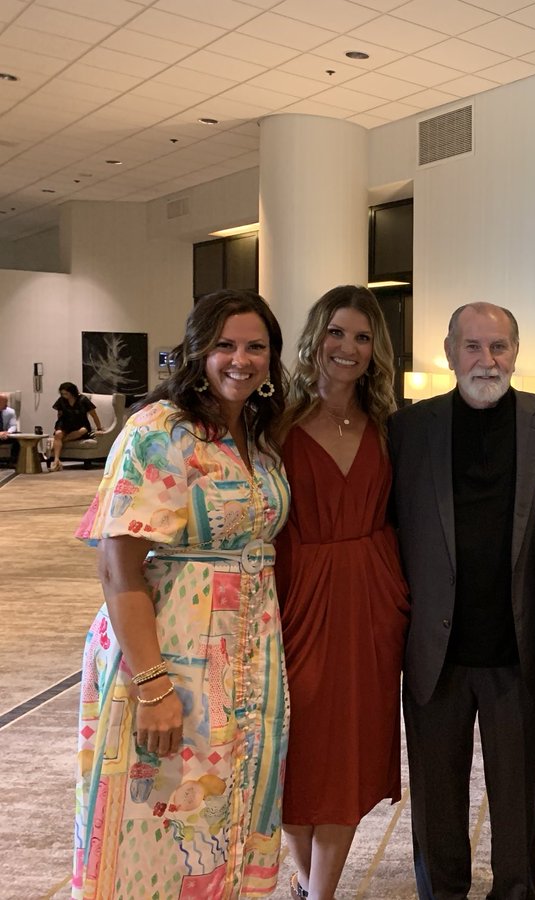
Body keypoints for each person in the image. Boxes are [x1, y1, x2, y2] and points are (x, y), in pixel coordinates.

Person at [72, 289, 291, 898]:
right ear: (196, 351)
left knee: (229, 804)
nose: (239, 360)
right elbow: (119, 568)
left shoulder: (258, 432)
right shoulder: (158, 431)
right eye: (224, 344)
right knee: (158, 817)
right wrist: (153, 685)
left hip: (247, 652)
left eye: (255, 347)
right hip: (169, 650)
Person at [389, 302, 535, 898]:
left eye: (498, 347)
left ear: (516, 353)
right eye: (472, 347)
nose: (487, 360)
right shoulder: (407, 429)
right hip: (435, 651)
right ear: (449, 353)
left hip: (516, 652)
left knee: (518, 802)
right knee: (436, 801)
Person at [275, 286, 412, 900]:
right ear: (316, 337)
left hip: (371, 602)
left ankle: (319, 892)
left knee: (350, 750)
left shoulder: (390, 427)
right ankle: (309, 883)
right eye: (337, 333)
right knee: (294, 749)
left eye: (362, 337)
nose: (348, 348)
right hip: (296, 597)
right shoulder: (274, 423)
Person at [51, 381, 102, 471]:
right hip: (65, 422)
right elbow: (59, 415)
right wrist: (59, 427)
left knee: (81, 431)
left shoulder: (83, 400)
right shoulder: (61, 401)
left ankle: (59, 442)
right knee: (58, 433)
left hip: (80, 423)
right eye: (62, 394)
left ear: (72, 392)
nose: (64, 396)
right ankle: (56, 459)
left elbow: (94, 414)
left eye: (66, 393)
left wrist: (99, 427)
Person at [0, 393, 16, 466]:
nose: (6, 405)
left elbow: (13, 426)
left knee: (18, 439)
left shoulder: (10, 412)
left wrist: (8, 432)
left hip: (5, 435)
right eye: (4, 403)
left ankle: (14, 462)